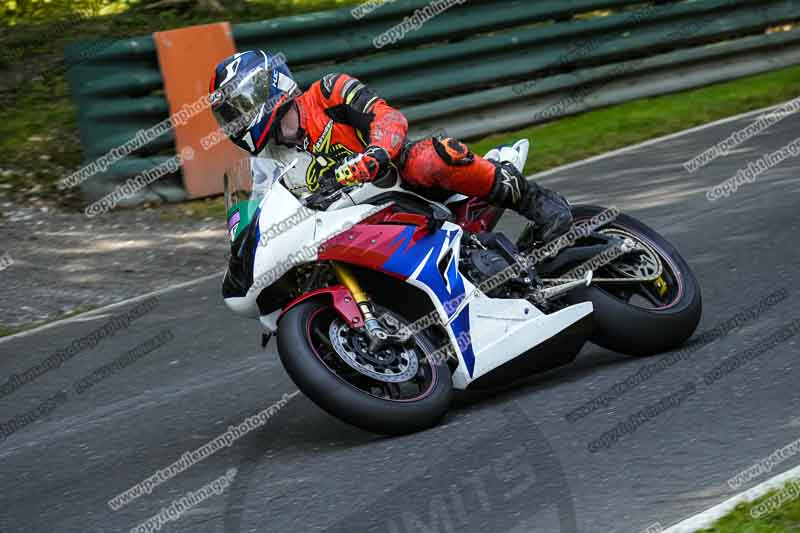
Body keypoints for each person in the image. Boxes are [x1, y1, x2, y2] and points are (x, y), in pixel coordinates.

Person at [209, 50, 572, 243]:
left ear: (266, 88)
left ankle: (536, 201)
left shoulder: (327, 92)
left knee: (428, 159)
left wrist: (376, 154)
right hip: (348, 227)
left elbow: (387, 118)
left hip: (398, 186)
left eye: (239, 107)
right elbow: (267, 211)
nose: (237, 118)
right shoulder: (266, 162)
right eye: (229, 114)